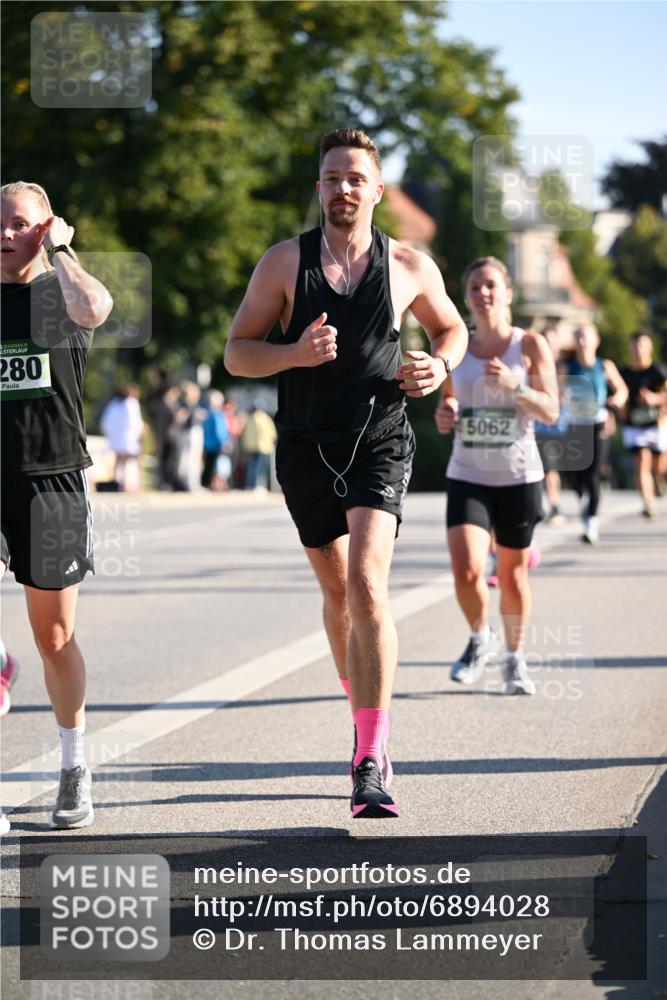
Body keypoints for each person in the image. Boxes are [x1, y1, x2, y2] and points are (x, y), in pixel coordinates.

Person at [225, 127, 467, 818]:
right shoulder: (282, 263)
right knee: (337, 596)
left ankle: (370, 755)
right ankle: (360, 700)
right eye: (332, 178)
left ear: (377, 190)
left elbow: (450, 330)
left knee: (366, 585)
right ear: (319, 187)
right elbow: (238, 353)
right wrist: (294, 353)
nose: (343, 189)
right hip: (303, 446)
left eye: (356, 178)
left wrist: (439, 364)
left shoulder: (410, 266)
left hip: (378, 440)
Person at [1, 180, 113, 831]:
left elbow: (97, 308)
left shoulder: (59, 294)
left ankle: (73, 765)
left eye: (20, 224)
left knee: (55, 637)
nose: (6, 234)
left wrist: (64, 253)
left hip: (52, 481)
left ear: (46, 229)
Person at [435, 257, 559, 696]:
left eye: (490, 285)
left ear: (507, 293)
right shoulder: (456, 346)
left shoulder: (529, 346)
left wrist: (515, 386)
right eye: (474, 288)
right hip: (467, 472)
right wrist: (445, 415)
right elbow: (448, 405)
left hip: (518, 475)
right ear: (465, 297)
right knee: (467, 569)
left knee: (513, 577)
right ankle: (478, 638)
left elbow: (552, 411)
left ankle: (514, 658)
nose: (482, 293)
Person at [565, 324, 627, 543]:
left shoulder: (604, 366)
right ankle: (583, 499)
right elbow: (554, 390)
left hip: (598, 423)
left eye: (586, 337)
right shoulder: (567, 366)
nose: (583, 342)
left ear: (596, 341)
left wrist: (616, 400)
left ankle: (591, 522)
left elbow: (622, 389)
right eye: (579, 337)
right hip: (573, 425)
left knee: (593, 472)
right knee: (574, 474)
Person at [619, 331, 667, 518]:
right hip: (634, 425)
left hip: (657, 424)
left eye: (642, 345)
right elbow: (617, 394)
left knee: (658, 466)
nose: (639, 349)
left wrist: (654, 399)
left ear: (650, 348)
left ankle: (658, 479)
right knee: (641, 462)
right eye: (635, 345)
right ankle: (648, 503)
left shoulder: (658, 371)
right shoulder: (624, 373)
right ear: (630, 348)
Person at [534, 327, 569, 526]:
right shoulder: (531, 363)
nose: (549, 345)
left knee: (550, 468)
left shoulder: (562, 367)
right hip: (533, 426)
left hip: (556, 426)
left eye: (552, 341)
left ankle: (554, 505)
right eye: (545, 340)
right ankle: (542, 506)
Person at [99, 384, 145, 492]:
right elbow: (135, 423)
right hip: (129, 439)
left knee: (119, 461)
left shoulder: (113, 404)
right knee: (135, 461)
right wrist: (140, 433)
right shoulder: (132, 404)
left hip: (117, 439)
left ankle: (117, 482)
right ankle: (134, 484)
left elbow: (105, 423)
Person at [240, 402, 277, 491]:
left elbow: (244, 434)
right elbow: (272, 433)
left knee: (252, 467)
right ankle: (258, 485)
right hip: (264, 447)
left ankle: (250, 485)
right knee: (260, 468)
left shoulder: (250, 419)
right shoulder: (265, 418)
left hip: (251, 447)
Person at [201, 389, 231, 490]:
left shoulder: (206, 412)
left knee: (209, 465)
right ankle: (212, 484)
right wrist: (224, 441)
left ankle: (207, 483)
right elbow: (220, 430)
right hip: (215, 444)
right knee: (215, 466)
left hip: (207, 443)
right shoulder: (217, 414)